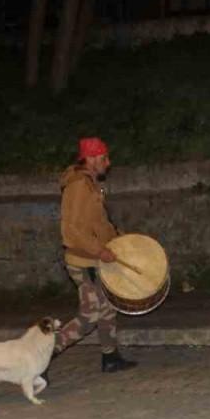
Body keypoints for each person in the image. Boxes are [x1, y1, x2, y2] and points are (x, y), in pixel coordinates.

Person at [53, 136, 137, 373]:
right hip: (84, 262)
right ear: (89, 159)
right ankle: (44, 354)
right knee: (90, 316)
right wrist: (100, 250)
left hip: (95, 258)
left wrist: (119, 239)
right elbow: (72, 230)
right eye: (103, 158)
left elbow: (98, 223)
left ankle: (110, 357)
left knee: (108, 306)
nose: (108, 163)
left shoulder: (91, 183)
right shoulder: (78, 186)